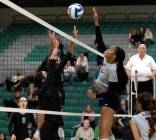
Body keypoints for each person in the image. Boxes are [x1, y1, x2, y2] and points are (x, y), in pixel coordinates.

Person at [87, 7, 128, 140]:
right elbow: (99, 41)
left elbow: (111, 91)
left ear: (114, 56)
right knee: (103, 131)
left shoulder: (114, 70)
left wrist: (95, 96)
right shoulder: (107, 57)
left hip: (111, 99)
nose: (108, 49)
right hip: (107, 97)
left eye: (112, 49)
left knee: (103, 133)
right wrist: (96, 21)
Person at [34, 26, 78, 140]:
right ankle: (39, 132)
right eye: (44, 73)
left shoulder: (55, 72)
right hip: (49, 117)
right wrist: (54, 44)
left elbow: (67, 55)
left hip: (55, 115)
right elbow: (52, 58)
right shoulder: (45, 85)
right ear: (43, 78)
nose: (58, 57)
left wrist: (73, 38)